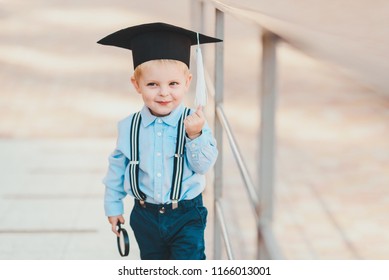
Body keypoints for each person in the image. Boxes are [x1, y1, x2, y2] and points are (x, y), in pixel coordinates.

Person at [98, 22, 222, 260]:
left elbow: (203, 166)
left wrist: (194, 136)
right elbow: (117, 169)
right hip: (145, 216)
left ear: (187, 82)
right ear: (136, 85)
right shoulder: (128, 127)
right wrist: (113, 207)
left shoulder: (195, 122)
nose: (164, 92)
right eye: (152, 84)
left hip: (186, 214)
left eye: (173, 84)